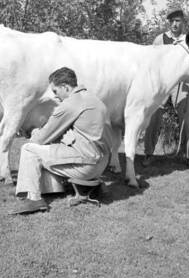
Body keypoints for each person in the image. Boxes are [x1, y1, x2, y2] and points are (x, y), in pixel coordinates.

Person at [10, 67, 113, 215]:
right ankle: (58, 189)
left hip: (87, 166)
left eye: (55, 91)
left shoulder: (70, 104)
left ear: (65, 87)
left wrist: (33, 132)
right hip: (102, 164)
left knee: (29, 149)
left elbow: (41, 138)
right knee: (54, 144)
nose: (56, 96)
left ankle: (34, 200)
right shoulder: (94, 99)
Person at [143, 8, 189, 172]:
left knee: (187, 120)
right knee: (153, 118)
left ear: (183, 22)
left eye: (178, 21)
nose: (175, 24)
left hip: (181, 84)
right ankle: (148, 154)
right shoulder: (160, 39)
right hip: (161, 85)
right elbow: (150, 63)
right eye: (172, 21)